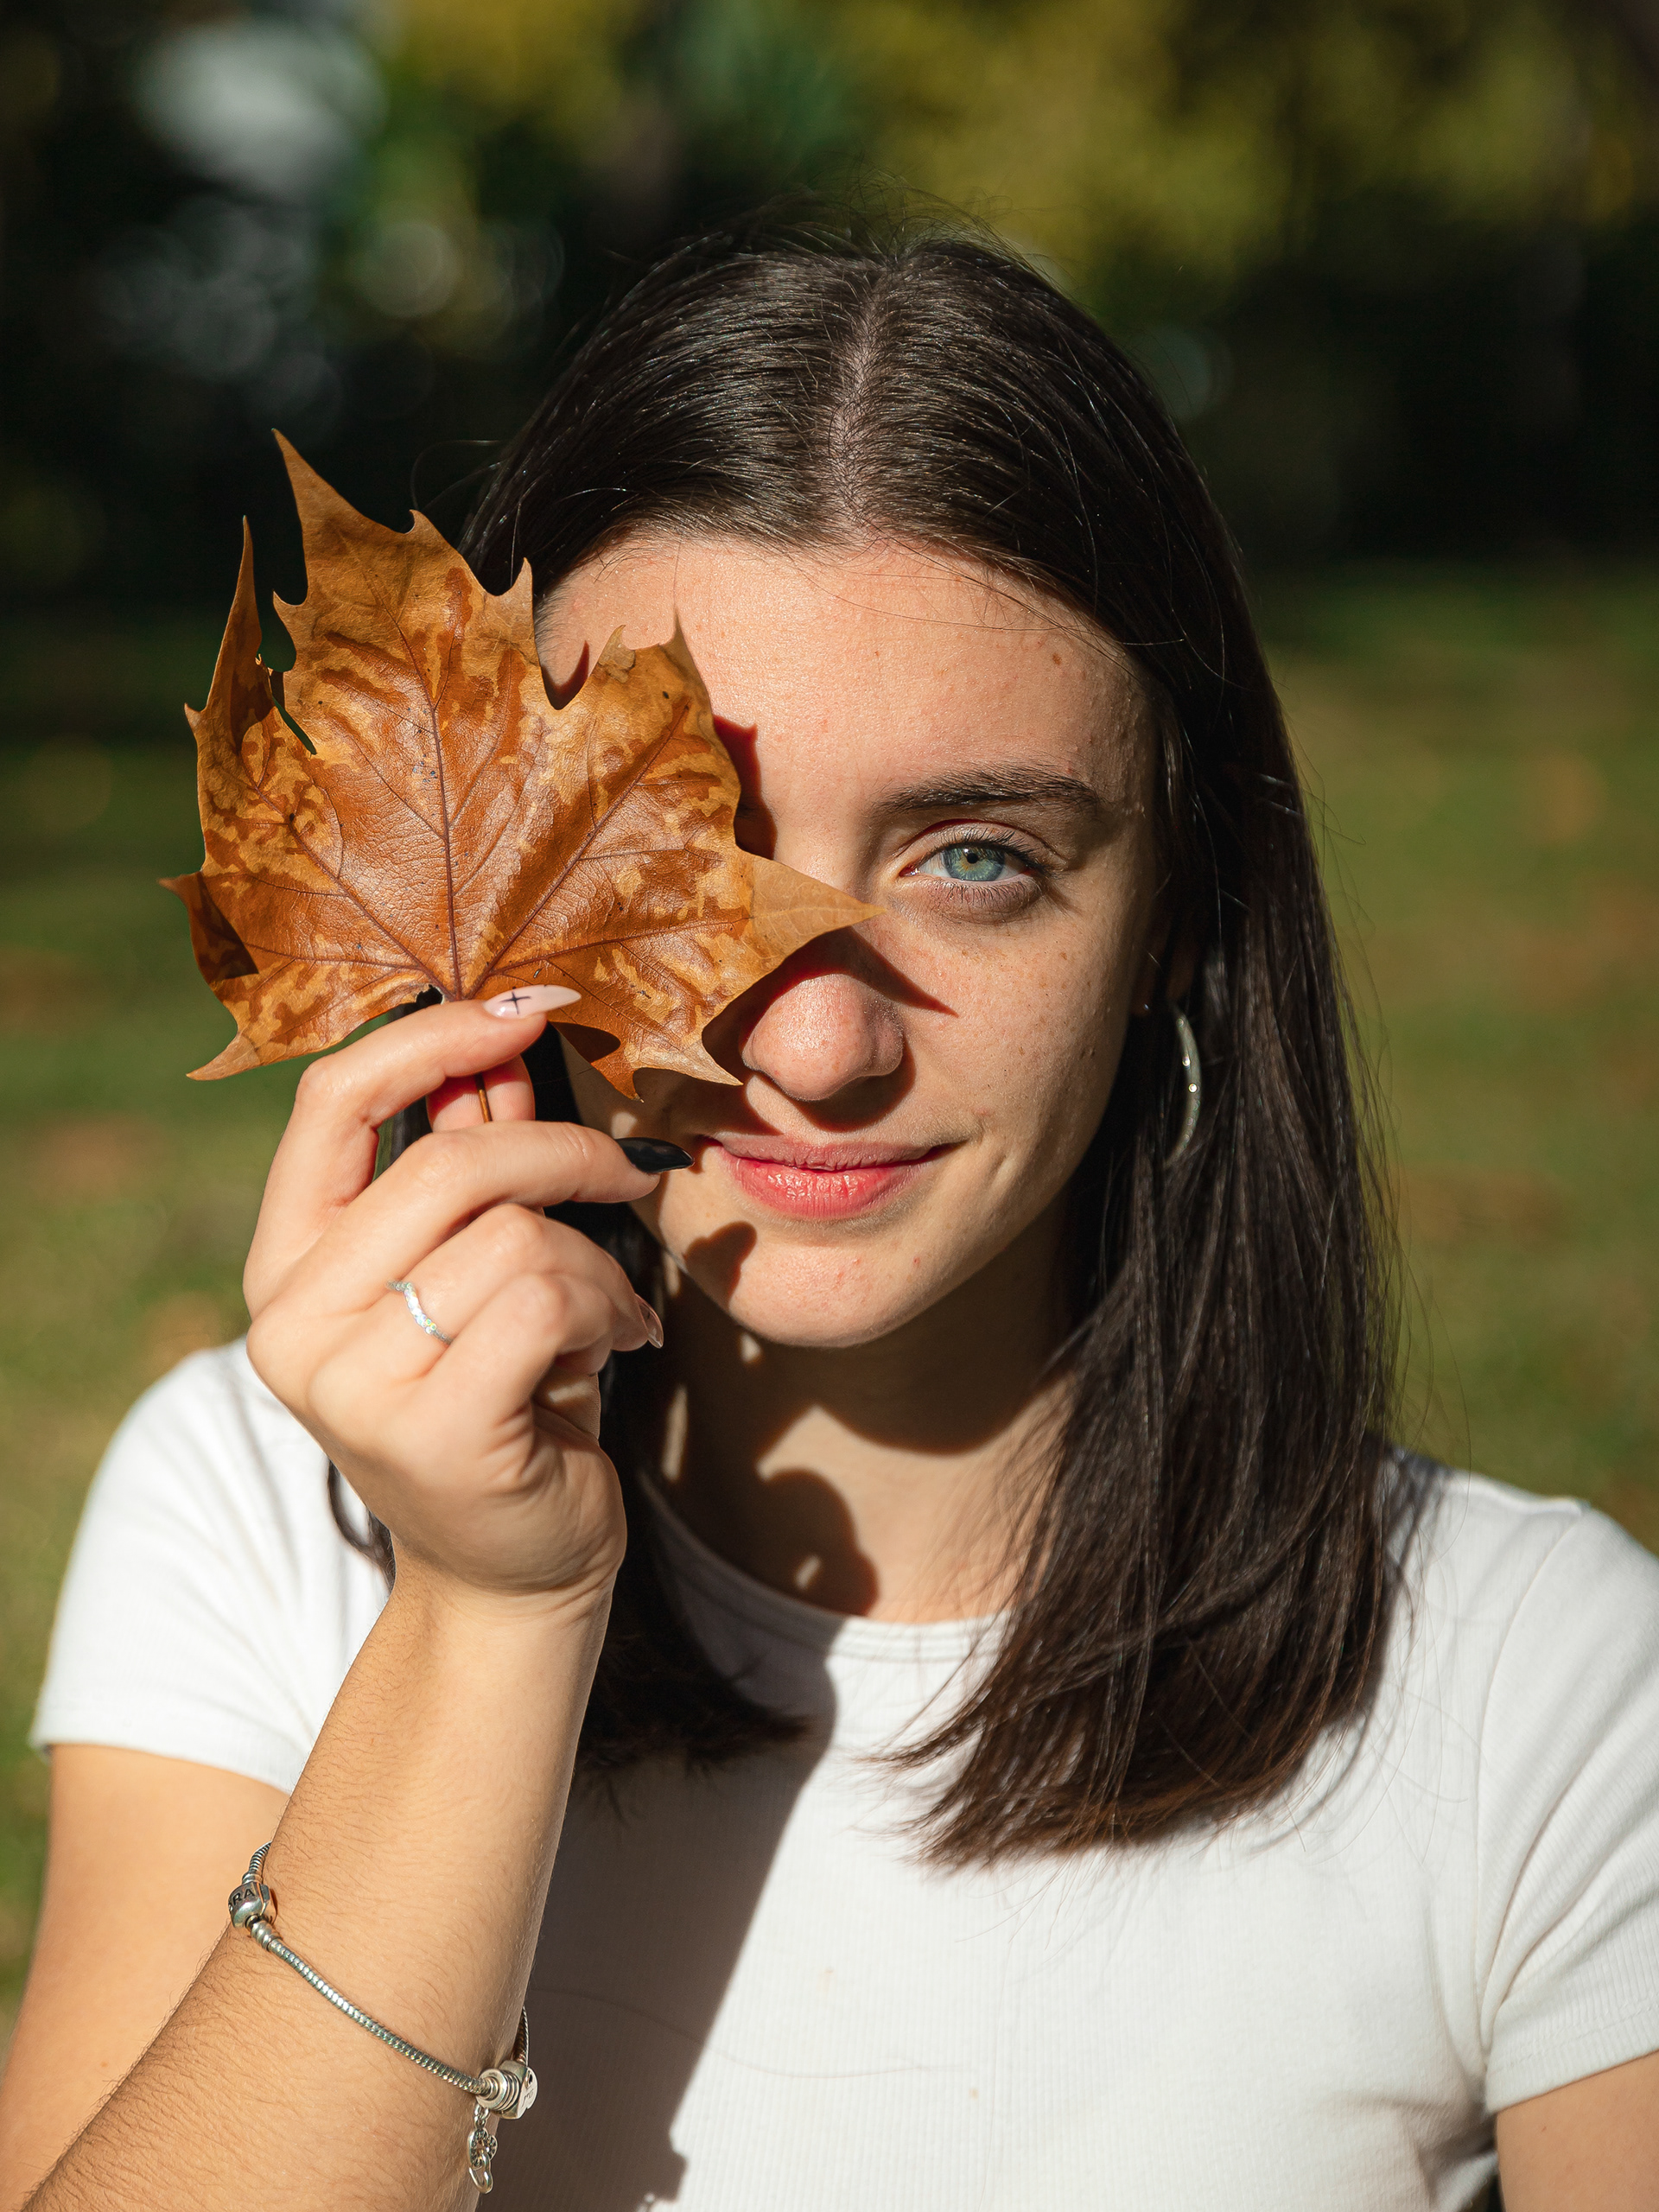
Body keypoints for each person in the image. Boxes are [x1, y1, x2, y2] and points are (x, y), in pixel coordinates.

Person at [2, 221, 1656, 2212]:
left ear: (1179, 916)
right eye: (675, 848)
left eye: (978, 857)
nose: (816, 1034)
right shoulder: (261, 1519)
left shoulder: (1540, 1692)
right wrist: (487, 1615)